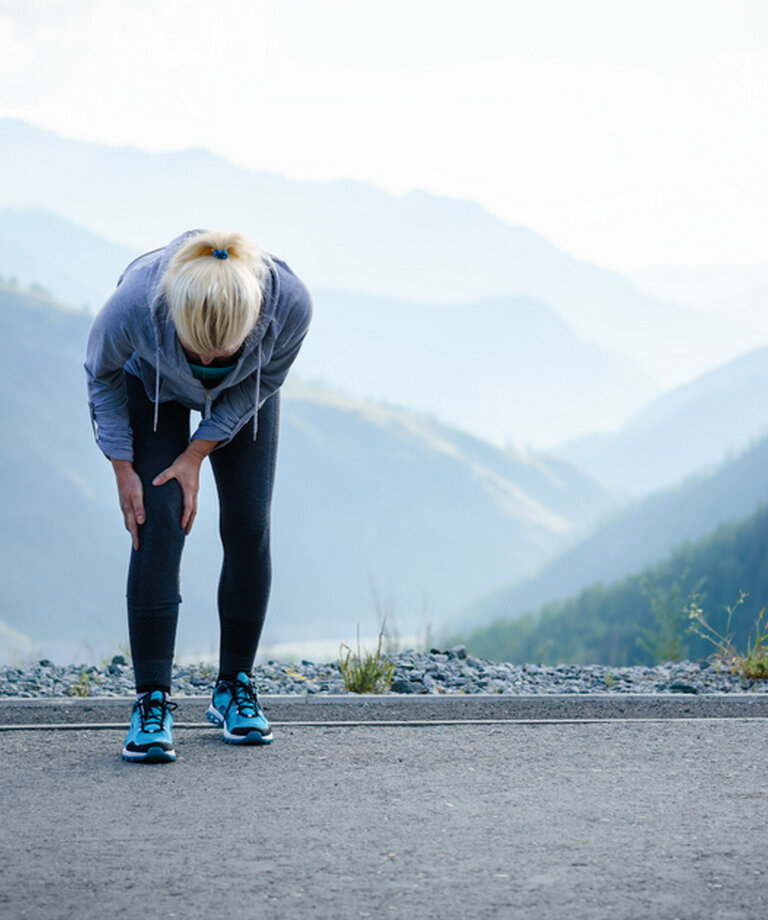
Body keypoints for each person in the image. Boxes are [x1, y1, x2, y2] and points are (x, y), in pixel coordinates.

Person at [85, 229, 312, 763]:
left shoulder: (289, 306)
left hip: (246, 393)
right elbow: (101, 376)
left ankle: (234, 686)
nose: (208, 363)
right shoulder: (134, 306)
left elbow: (268, 381)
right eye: (197, 351)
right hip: (152, 386)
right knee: (156, 518)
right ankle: (151, 701)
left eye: (222, 353)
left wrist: (196, 454)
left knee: (248, 523)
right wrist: (123, 466)